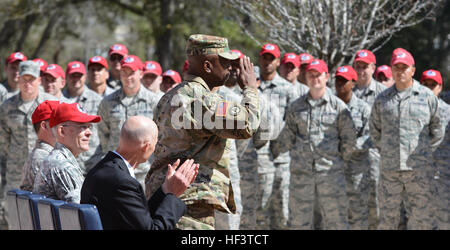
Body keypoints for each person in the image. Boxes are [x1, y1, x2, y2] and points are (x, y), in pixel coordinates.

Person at [144, 34, 260, 230]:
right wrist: (250, 89)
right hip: (189, 201)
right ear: (207, 66)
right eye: (225, 62)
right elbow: (247, 124)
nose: (231, 68)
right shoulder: (202, 99)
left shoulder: (169, 96)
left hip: (167, 195)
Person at [271, 59, 356, 230]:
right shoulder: (296, 107)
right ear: (306, 77)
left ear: (327, 77)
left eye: (318, 75)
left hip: (330, 176)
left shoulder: (339, 108)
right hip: (302, 177)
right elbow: (287, 138)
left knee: (336, 223)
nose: (315, 78)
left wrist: (336, 163)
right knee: (299, 223)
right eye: (311, 75)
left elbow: (349, 141)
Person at [370, 48, 444, 230]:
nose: (400, 71)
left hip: (419, 171)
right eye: (396, 67)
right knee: (388, 221)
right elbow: (375, 131)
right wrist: (389, 151)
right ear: (392, 70)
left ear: (413, 70)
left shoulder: (427, 97)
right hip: (390, 172)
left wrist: (423, 152)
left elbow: (438, 129)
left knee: (421, 221)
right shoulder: (382, 100)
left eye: (404, 67)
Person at [81, 116, 199, 230]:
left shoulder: (105, 168)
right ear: (146, 146)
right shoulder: (121, 181)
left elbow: (140, 219)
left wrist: (165, 191)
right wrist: (172, 195)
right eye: (155, 142)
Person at [0, 60, 55, 229]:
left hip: (45, 171)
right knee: (15, 219)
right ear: (18, 79)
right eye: (24, 78)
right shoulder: (7, 106)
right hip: (16, 173)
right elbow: (4, 143)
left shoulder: (51, 104)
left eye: (31, 79)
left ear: (39, 80)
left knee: (46, 219)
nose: (27, 83)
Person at [97, 55, 160, 188]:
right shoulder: (108, 102)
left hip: (144, 173)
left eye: (132, 73)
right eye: (124, 72)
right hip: (116, 171)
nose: (127, 77)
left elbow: (160, 135)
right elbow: (103, 134)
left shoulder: (155, 102)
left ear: (141, 73)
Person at [257, 43, 299, 229]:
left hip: (281, 158)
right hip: (255, 160)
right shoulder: (250, 87)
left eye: (271, 58)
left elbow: (294, 124)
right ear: (259, 59)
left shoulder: (288, 89)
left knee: (282, 210)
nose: (267, 62)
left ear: (277, 62)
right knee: (258, 210)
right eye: (265, 57)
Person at [33, 102, 101, 203]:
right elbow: (80, 211)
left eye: (89, 127)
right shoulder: (62, 166)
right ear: (62, 131)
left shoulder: (60, 159)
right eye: (82, 126)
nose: (89, 132)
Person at [352, 49, 386, 229]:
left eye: (365, 67)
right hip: (351, 164)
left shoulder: (384, 94)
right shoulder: (346, 91)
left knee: (376, 210)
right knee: (354, 212)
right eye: (357, 66)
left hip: (377, 162)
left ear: (373, 68)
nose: (360, 71)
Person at [334, 65, 372, 229]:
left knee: (358, 217)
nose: (340, 84)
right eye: (338, 80)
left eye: (345, 81)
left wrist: (347, 145)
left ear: (353, 83)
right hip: (331, 172)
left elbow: (371, 138)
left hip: (356, 173)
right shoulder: (327, 106)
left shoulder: (363, 109)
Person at [420, 69, 450, 230]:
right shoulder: (411, 112)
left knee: (444, 222)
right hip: (417, 178)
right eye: (426, 85)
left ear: (440, 88)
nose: (430, 89)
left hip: (443, 178)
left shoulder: (448, 113)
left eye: (434, 85)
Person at [63, 61, 103, 174]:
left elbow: (105, 130)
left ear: (85, 77)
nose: (76, 79)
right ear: (66, 77)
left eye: (79, 76)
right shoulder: (60, 101)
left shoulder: (98, 100)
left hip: (93, 163)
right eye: (72, 76)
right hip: (67, 164)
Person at [20, 100, 60, 191]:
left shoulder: (44, 154)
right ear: (44, 126)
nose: (64, 127)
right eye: (59, 122)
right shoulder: (46, 159)